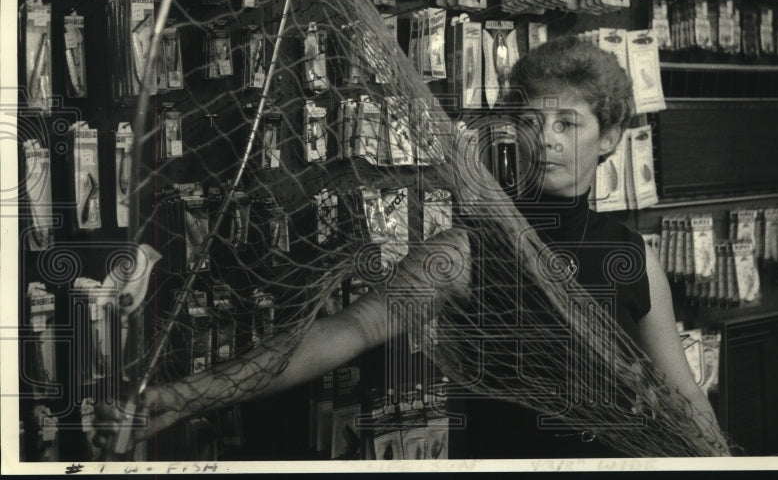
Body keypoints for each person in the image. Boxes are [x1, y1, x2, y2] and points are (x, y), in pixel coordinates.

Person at [97, 35, 730, 458]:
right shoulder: (467, 251)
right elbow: (336, 336)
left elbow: (686, 397)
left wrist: (725, 464)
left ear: (612, 136)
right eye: (534, 123)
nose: (549, 141)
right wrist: (186, 395)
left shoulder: (631, 256)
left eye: (570, 124)